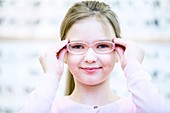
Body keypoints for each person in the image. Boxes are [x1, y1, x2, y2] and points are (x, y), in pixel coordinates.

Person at [20, 1, 170, 113]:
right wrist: (51, 76)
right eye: (78, 46)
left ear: (118, 51)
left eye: (102, 46)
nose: (90, 58)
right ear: (63, 53)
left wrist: (133, 67)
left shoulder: (134, 109)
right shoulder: (48, 109)